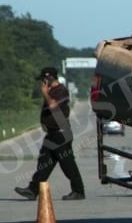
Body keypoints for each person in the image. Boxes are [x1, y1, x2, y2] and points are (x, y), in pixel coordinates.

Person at [15, 66, 86, 201]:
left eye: (43, 80)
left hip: (61, 134)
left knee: (67, 164)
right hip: (52, 133)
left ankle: (78, 191)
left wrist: (45, 93)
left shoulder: (61, 91)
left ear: (49, 78)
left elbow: (53, 106)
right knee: (44, 163)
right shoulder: (52, 91)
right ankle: (33, 189)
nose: (41, 83)